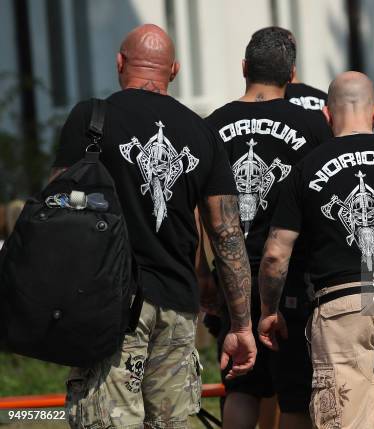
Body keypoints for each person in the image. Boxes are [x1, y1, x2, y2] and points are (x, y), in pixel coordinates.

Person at [51, 24, 256, 429]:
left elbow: (56, 208)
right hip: (177, 308)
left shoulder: (92, 119)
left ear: (120, 63)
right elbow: (227, 234)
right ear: (175, 70)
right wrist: (241, 324)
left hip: (106, 305)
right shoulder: (202, 133)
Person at [258, 71, 374, 429]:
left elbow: (276, 253)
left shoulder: (304, 170)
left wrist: (269, 310)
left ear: (326, 114)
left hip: (341, 307)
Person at [205, 26, 332, 429]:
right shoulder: (313, 127)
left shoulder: (213, 126)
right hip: (292, 276)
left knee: (241, 388)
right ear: (291, 76)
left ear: (244, 67)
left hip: (233, 276)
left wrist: (201, 275)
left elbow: (198, 210)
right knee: (294, 397)